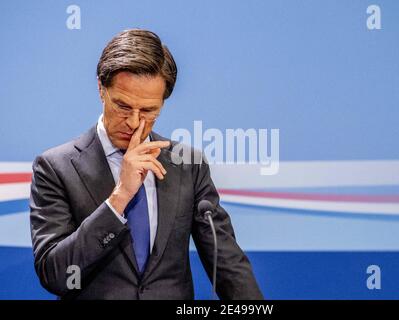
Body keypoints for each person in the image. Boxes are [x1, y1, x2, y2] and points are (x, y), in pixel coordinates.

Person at [29, 29, 263, 300]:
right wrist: (119, 198)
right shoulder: (56, 168)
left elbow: (227, 265)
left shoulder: (188, 165)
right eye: (123, 106)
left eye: (149, 111)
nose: (133, 122)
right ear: (101, 89)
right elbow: (56, 274)